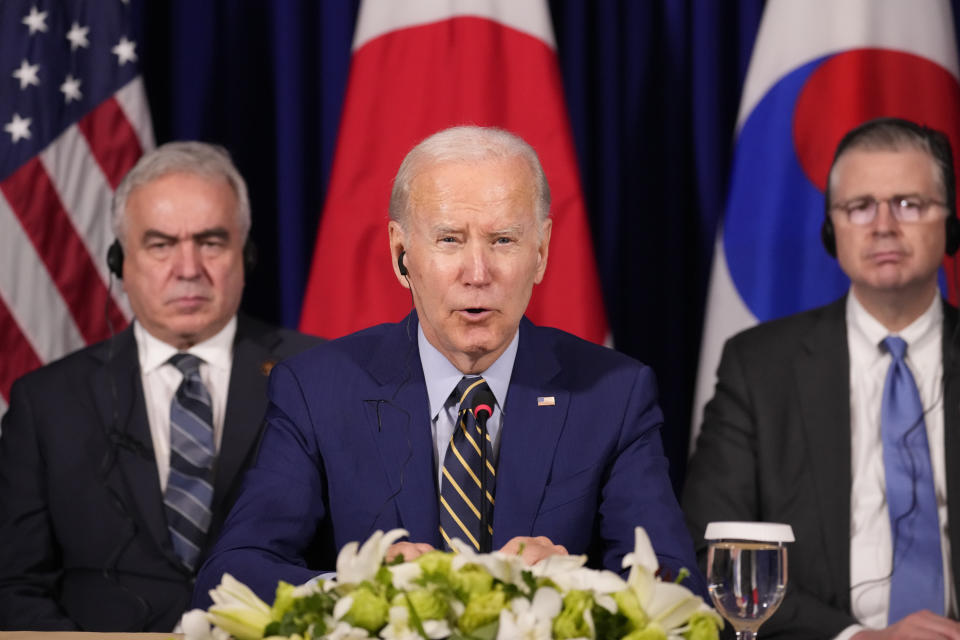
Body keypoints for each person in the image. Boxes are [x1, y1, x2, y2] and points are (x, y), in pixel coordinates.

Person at [193, 125, 704, 607]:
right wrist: (357, 589)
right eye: (449, 239)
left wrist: (576, 590)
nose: (477, 273)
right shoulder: (318, 389)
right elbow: (233, 574)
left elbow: (677, 582)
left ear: (542, 252)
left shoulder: (613, 394)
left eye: (503, 239)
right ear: (401, 254)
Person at [0, 141, 320, 632]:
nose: (188, 269)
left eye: (211, 242)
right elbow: (14, 585)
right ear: (119, 262)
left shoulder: (319, 375)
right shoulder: (45, 403)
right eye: (161, 244)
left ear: (245, 254)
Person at [684, 117, 960, 640]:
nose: (883, 225)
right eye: (860, 207)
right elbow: (708, 554)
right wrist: (858, 639)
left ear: (949, 224)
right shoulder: (759, 367)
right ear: (832, 231)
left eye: (909, 204)